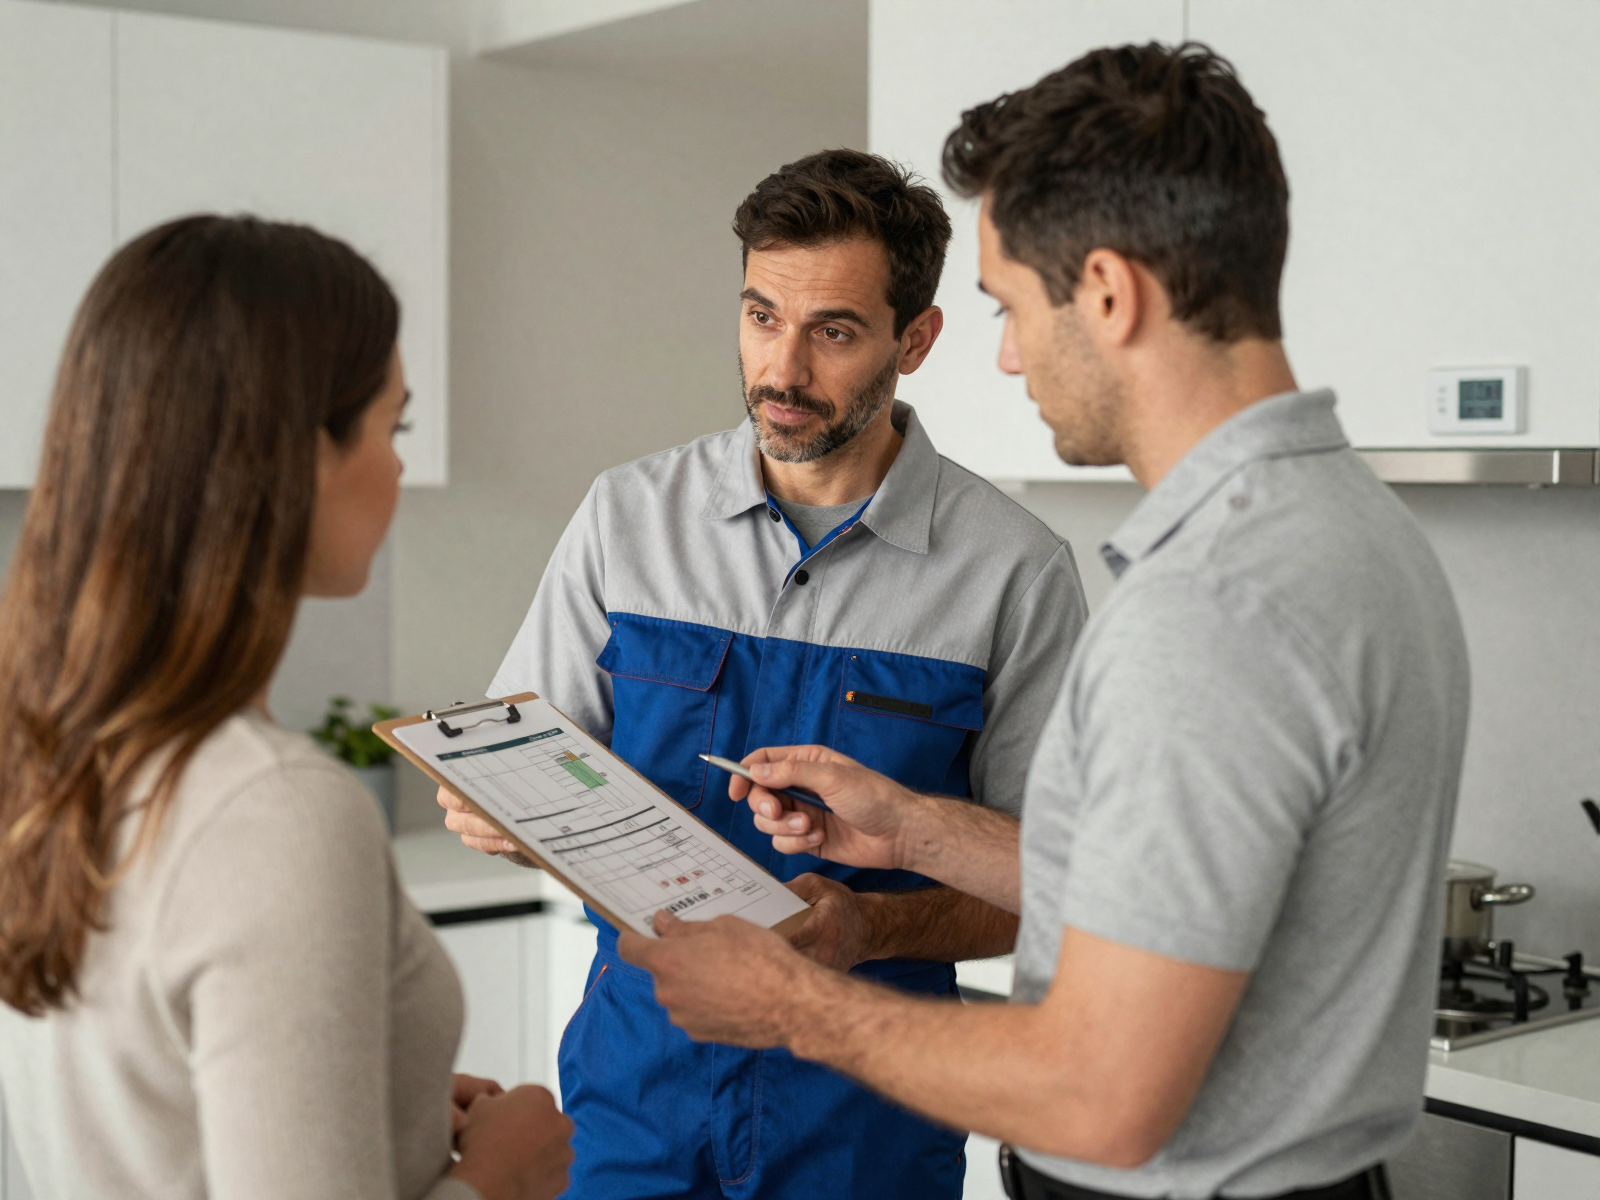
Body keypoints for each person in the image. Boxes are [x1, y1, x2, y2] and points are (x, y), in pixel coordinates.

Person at [619, 44, 1471, 1200]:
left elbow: (1101, 1093)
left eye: (1012, 307)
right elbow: (1163, 884)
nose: (1010, 354)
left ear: (1110, 294)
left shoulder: (1213, 605)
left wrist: (789, 1004)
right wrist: (918, 830)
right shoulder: (1341, 524)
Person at [438, 148, 1088, 1199]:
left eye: (832, 331)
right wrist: (505, 817)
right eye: (759, 317)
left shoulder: (1013, 573)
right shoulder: (625, 518)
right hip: (634, 1103)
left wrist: (871, 926)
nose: (781, 369)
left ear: (914, 339)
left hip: (867, 1125)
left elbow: (1058, 888)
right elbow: (536, 783)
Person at [0, 216, 573, 1200]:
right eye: (390, 427)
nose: (396, 466)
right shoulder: (278, 809)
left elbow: (157, 1109)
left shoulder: (54, 748)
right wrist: (501, 1177)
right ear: (296, 452)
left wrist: (378, 1111)